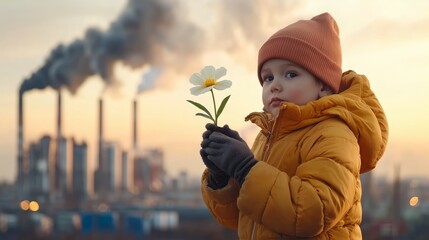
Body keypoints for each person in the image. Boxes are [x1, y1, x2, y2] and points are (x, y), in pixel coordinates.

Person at [199, 12, 388, 239]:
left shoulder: (334, 134)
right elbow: (246, 216)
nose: (274, 86)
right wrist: (224, 176)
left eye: (290, 74)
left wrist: (245, 167)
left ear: (324, 87)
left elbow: (312, 212)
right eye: (267, 78)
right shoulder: (268, 136)